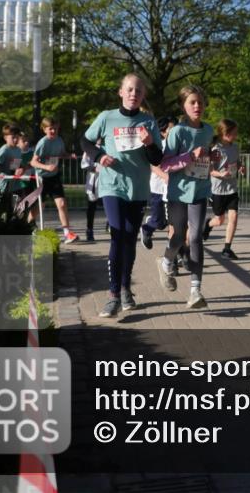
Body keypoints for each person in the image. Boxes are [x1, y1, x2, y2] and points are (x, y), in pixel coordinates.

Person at [81, 73, 162, 318]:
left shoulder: (148, 122)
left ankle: (126, 287)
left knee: (129, 237)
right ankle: (113, 294)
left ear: (143, 95)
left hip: (137, 188)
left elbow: (157, 158)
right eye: (129, 89)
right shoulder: (106, 118)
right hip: (111, 185)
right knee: (117, 235)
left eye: (138, 91)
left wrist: (149, 143)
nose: (133, 94)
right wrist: (99, 156)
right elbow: (84, 141)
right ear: (120, 92)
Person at [158, 86, 213, 309]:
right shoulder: (178, 132)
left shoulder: (208, 130)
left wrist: (213, 156)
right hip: (179, 192)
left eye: (200, 102)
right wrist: (190, 156)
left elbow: (207, 160)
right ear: (183, 106)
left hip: (200, 191)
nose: (197, 106)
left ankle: (195, 290)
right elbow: (166, 164)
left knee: (197, 237)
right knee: (179, 237)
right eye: (192, 102)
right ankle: (166, 260)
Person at [31, 117, 78, 243]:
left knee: (62, 204)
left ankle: (67, 233)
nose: (53, 131)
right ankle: (25, 226)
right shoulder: (43, 143)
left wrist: (69, 156)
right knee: (39, 207)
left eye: (56, 128)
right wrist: (46, 166)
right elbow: (33, 162)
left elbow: (61, 153)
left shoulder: (59, 140)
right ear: (44, 129)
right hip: (42, 178)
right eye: (50, 129)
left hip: (54, 177)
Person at [206, 119, 241, 260]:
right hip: (218, 189)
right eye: (233, 133)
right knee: (219, 220)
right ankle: (207, 225)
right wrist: (221, 174)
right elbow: (210, 170)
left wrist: (241, 167)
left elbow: (237, 162)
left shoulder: (235, 147)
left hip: (232, 188)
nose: (235, 136)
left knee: (233, 217)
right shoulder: (216, 149)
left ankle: (227, 249)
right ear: (224, 133)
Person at [140, 116, 175, 251]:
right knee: (160, 223)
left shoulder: (177, 145)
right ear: (163, 132)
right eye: (171, 129)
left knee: (171, 222)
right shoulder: (161, 145)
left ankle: (175, 253)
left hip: (171, 190)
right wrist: (166, 176)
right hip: (158, 188)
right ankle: (147, 228)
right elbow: (153, 166)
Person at [0, 122, 23, 215]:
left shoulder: (18, 150)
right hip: (3, 186)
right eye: (13, 137)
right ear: (5, 138)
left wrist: (18, 170)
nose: (15, 139)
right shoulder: (3, 150)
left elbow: (13, 168)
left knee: (15, 210)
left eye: (17, 137)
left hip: (14, 185)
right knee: (2, 210)